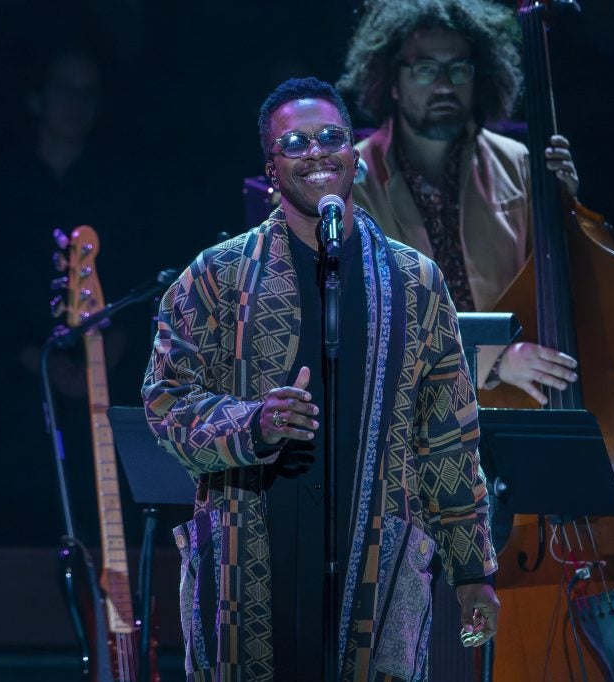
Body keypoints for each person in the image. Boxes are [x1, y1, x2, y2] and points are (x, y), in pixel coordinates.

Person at [142, 77, 498, 680]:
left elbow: (448, 438)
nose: (317, 153)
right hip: (249, 564)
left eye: (331, 136)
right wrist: (253, 422)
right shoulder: (216, 277)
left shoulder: (417, 283)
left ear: (355, 155)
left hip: (378, 568)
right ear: (272, 169)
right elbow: (165, 402)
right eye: (296, 143)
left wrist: (473, 573)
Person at [338, 0, 579, 406]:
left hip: (518, 404)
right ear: (393, 81)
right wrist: (491, 360)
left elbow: (564, 284)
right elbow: (364, 327)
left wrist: (570, 210)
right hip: (411, 415)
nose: (446, 85)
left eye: (459, 68)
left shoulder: (520, 163)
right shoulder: (353, 183)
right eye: (426, 69)